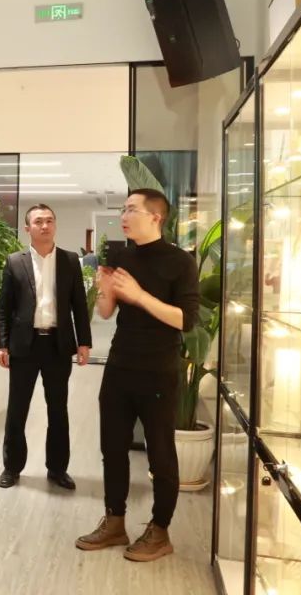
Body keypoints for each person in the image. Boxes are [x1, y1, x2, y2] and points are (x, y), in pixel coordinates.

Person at [76, 188, 199, 562]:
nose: (124, 216)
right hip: (119, 367)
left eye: (131, 210)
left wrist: (139, 294)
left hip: (158, 370)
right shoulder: (122, 256)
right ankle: (115, 522)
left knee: (160, 454)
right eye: (123, 210)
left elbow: (185, 320)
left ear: (155, 217)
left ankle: (160, 531)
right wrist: (104, 290)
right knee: (112, 448)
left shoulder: (181, 262)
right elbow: (106, 312)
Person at [0, 204, 92, 490]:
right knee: (17, 409)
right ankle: (12, 467)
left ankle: (58, 469)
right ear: (28, 228)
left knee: (58, 410)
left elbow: (79, 305)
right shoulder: (15, 261)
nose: (45, 226)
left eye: (50, 220)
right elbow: (4, 309)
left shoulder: (70, 260)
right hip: (24, 346)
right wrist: (2, 345)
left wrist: (84, 342)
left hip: (58, 346)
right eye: (38, 221)